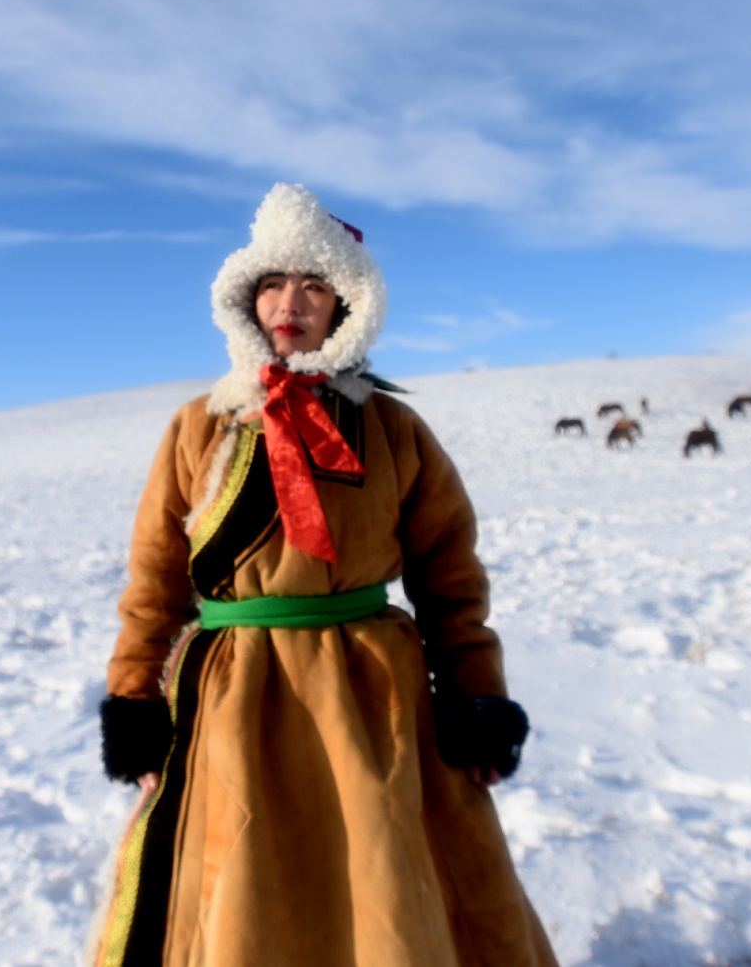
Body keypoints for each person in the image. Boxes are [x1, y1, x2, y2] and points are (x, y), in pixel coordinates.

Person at [93, 184, 556, 967]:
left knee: (382, 878)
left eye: (314, 284)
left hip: (371, 693)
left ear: (347, 304)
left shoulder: (393, 428)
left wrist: (475, 696)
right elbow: (154, 584)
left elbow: (449, 577)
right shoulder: (198, 426)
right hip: (234, 695)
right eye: (273, 282)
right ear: (244, 299)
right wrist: (137, 701)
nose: (290, 302)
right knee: (243, 882)